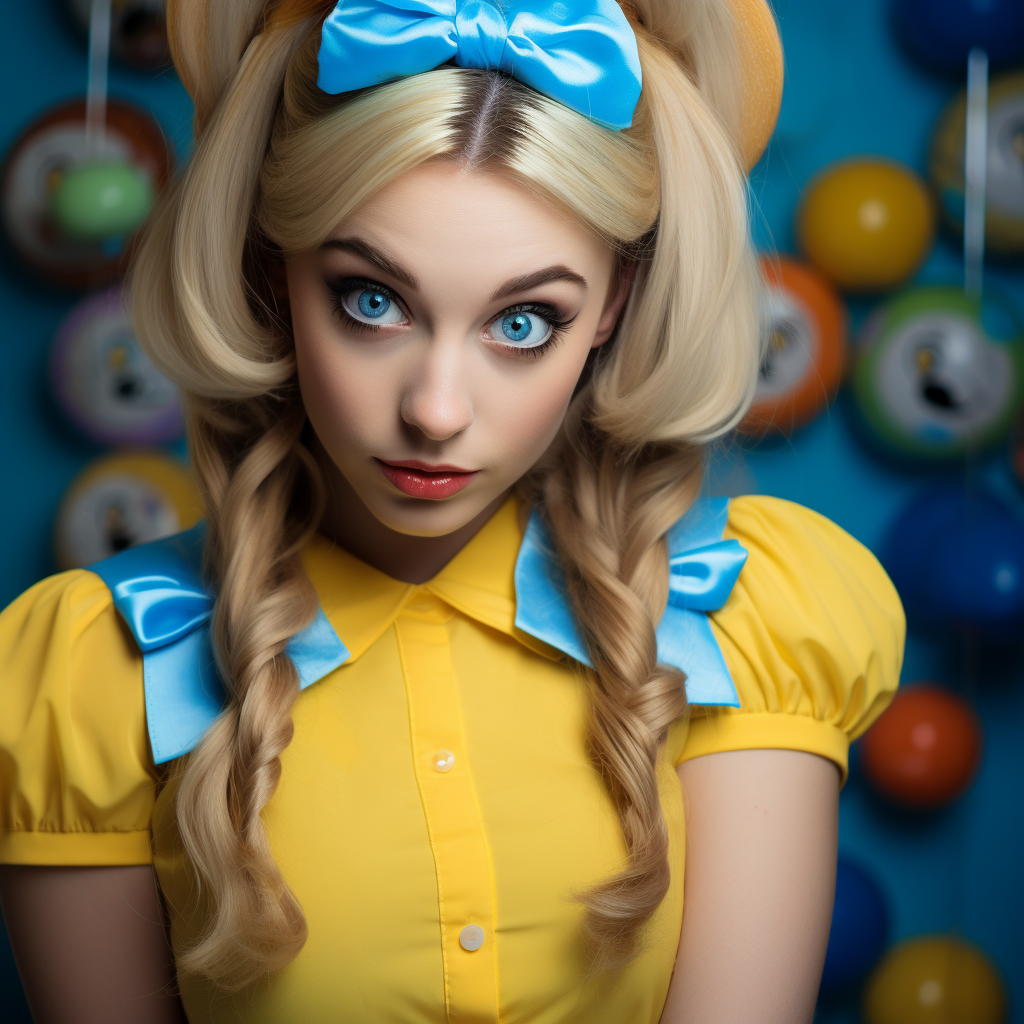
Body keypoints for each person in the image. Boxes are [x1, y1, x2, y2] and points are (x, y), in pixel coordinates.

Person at [0, 1, 904, 1022]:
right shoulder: (93, 672)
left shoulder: (738, 623)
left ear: (613, 304)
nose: (435, 410)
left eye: (523, 322)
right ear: (271, 267)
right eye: (371, 301)